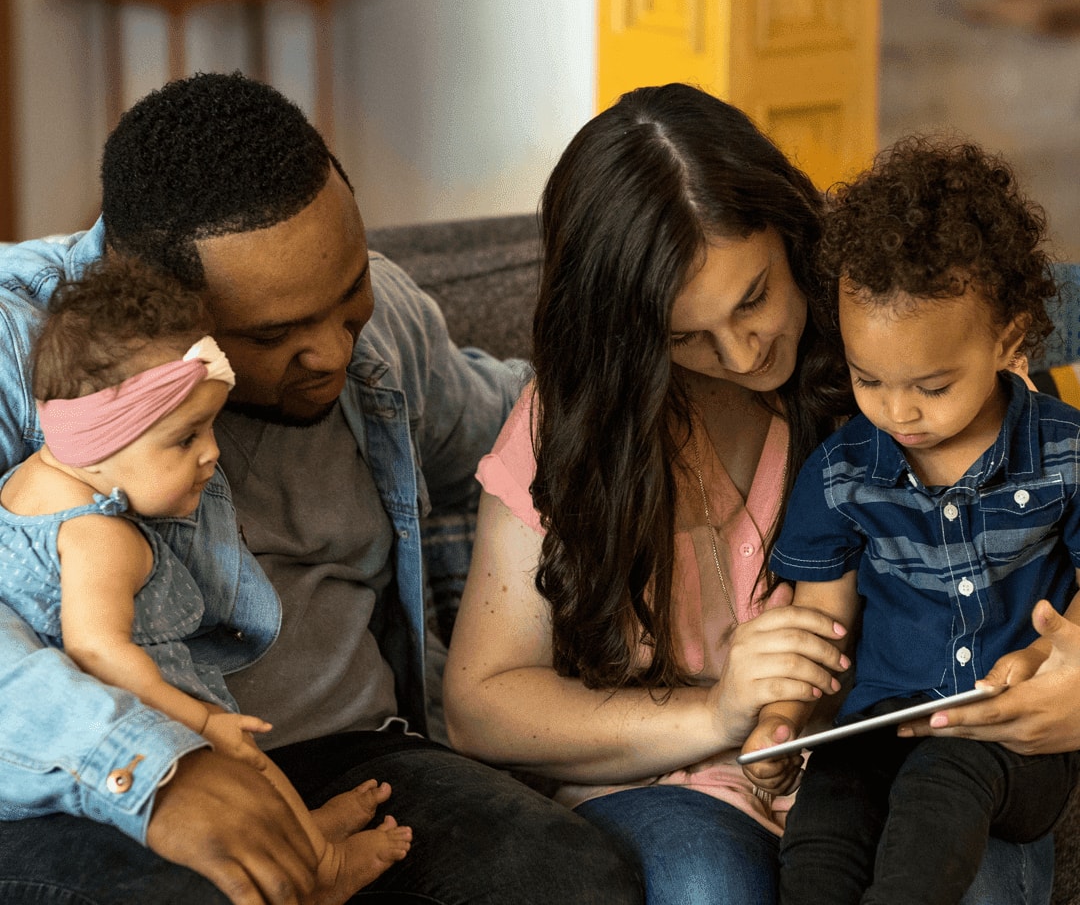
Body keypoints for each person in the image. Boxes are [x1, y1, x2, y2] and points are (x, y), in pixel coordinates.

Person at [0, 71, 642, 905]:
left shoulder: (389, 330)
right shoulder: (28, 350)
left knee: (569, 877)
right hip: (99, 782)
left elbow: (525, 431)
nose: (333, 355)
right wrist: (155, 771)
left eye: (348, 299)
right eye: (273, 335)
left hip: (359, 754)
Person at [443, 83, 1058, 905]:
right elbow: (480, 706)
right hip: (680, 788)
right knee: (709, 882)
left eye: (755, 298)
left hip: (903, 764)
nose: (738, 355)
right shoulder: (575, 429)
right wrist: (718, 715)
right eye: (683, 336)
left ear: (790, 233)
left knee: (960, 872)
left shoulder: (905, 363)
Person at [4, 256, 412, 901]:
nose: (212, 453)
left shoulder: (29, 485)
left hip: (69, 742)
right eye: (184, 437)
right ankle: (323, 869)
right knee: (242, 763)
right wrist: (196, 719)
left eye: (211, 427)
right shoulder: (98, 536)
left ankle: (305, 829)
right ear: (101, 439)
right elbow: (97, 649)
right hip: (132, 715)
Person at [739, 137, 1080, 904]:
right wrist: (784, 720)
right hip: (882, 722)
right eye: (869, 380)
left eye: (931, 385)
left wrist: (1055, 657)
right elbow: (824, 630)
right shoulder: (841, 472)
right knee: (830, 808)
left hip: (1014, 738)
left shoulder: (1065, 455)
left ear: (1009, 338)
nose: (899, 411)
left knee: (944, 774)